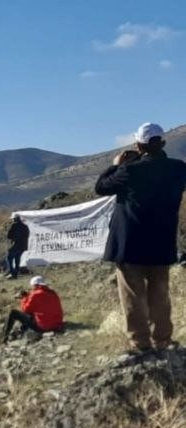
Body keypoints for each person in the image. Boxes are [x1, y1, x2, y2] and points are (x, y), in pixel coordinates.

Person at [95, 122, 186, 353]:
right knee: (160, 294)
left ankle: (140, 343)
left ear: (138, 144)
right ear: (163, 142)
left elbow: (101, 187)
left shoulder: (129, 171)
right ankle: (163, 340)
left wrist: (116, 165)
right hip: (162, 242)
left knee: (133, 296)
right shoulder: (178, 169)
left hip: (130, 244)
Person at [2, 276, 64, 343]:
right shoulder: (52, 293)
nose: (31, 288)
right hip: (57, 324)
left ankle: (3, 338)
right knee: (32, 313)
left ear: (35, 285)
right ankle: (22, 331)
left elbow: (25, 310)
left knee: (13, 312)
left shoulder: (35, 295)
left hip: (44, 327)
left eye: (32, 286)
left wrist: (24, 298)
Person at [5, 214, 30, 279]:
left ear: (14, 219)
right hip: (23, 246)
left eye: (12, 219)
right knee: (17, 259)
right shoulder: (25, 226)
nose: (12, 220)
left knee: (9, 258)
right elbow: (27, 236)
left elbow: (9, 236)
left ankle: (12, 272)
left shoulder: (13, 225)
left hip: (15, 245)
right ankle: (15, 273)